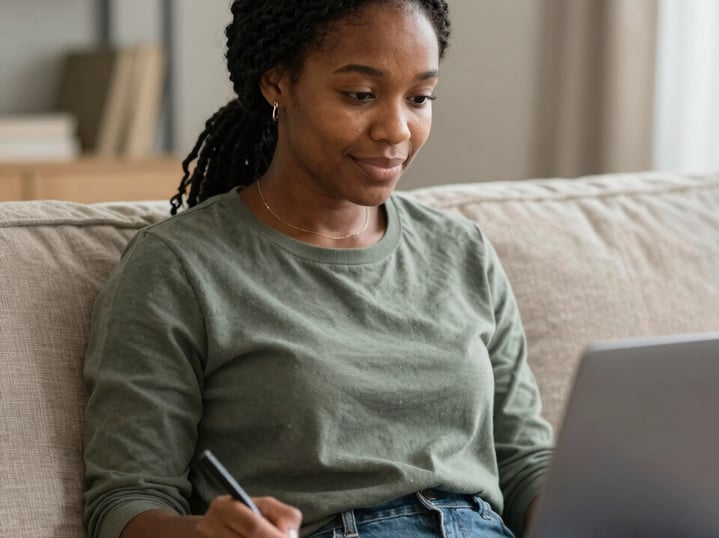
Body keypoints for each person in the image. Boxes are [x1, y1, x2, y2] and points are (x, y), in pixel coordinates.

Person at [82, 1, 554, 537]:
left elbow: (523, 463)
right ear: (278, 83)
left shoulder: (461, 249)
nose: (396, 129)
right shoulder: (179, 266)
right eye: (360, 95)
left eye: (419, 98)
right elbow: (125, 500)